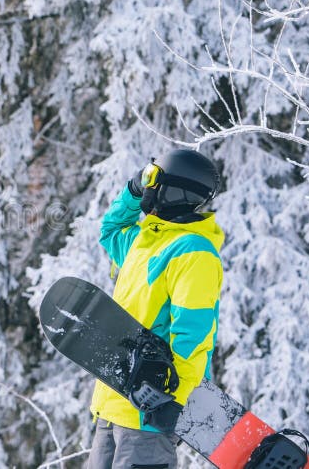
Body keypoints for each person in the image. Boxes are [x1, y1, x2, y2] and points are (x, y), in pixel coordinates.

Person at [86, 149, 225, 469]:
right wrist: (131, 191)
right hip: (112, 405)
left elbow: (194, 336)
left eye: (151, 180)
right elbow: (110, 229)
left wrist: (173, 400)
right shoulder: (143, 242)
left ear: (176, 191)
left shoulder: (193, 253)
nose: (146, 187)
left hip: (149, 413)